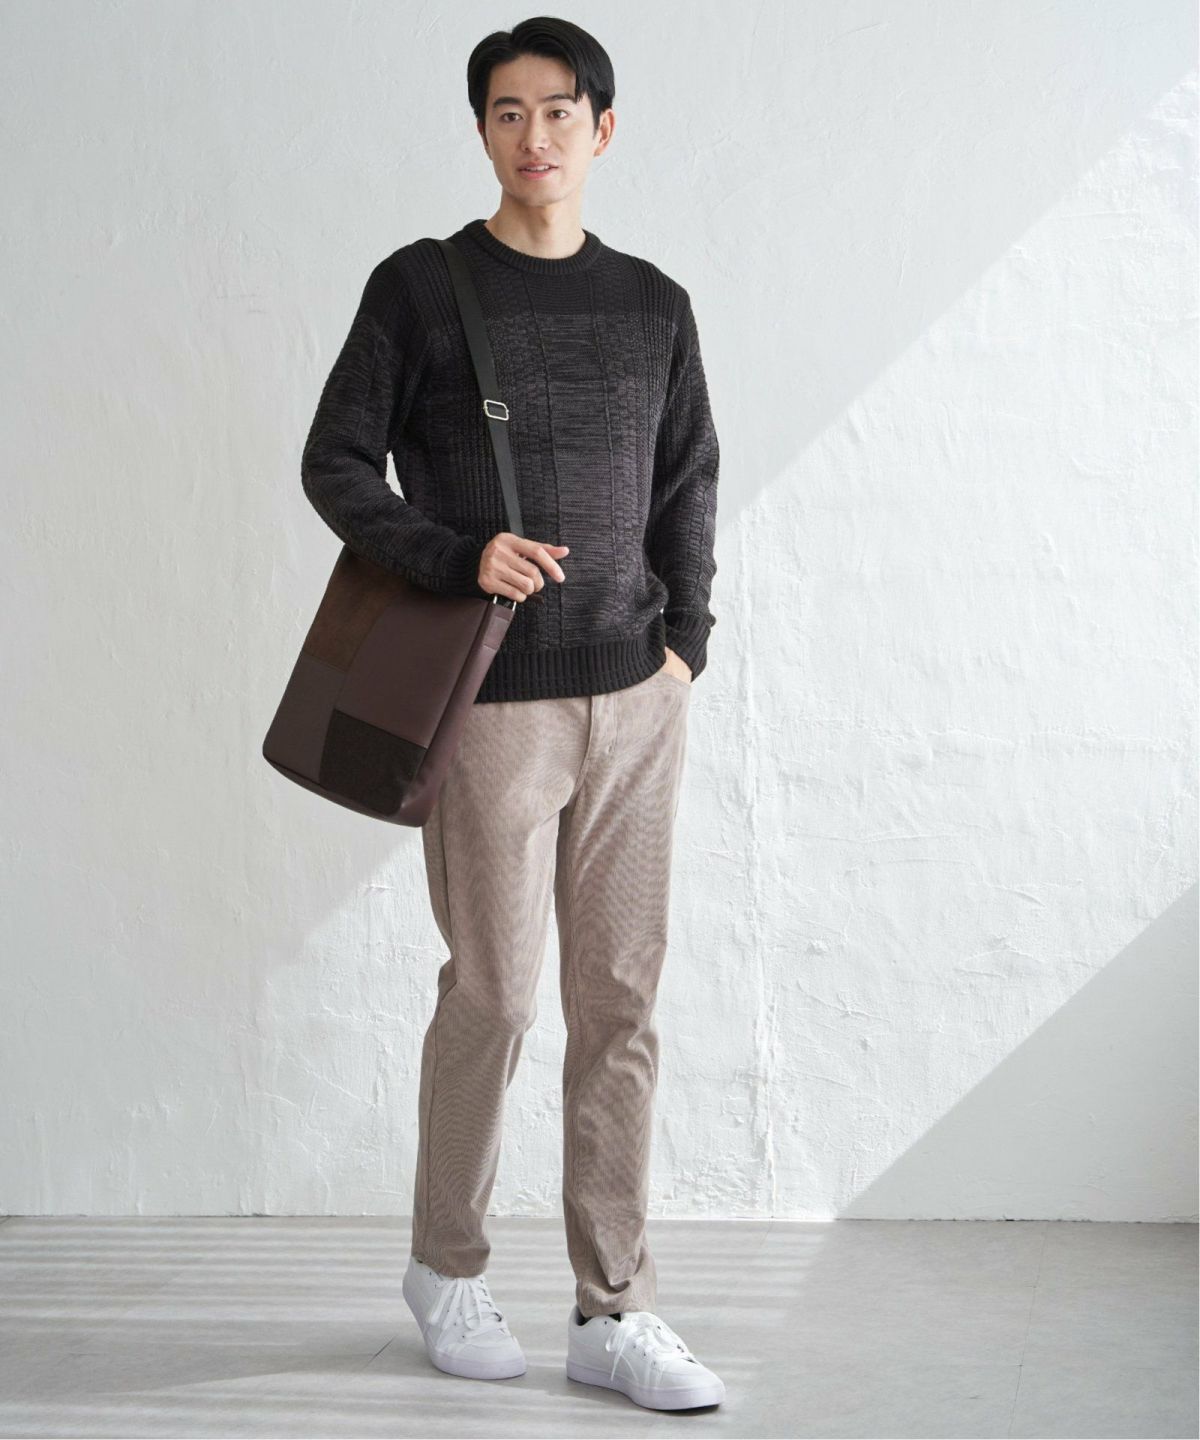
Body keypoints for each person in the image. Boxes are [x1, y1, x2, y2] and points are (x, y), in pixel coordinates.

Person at [300, 15, 723, 1413]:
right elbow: (335, 461)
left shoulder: (654, 304)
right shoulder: (422, 289)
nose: (532, 135)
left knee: (623, 1005)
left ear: (603, 127)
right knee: (493, 993)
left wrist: (685, 646)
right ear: (481, 130)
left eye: (556, 110)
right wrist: (450, 554)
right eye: (505, 112)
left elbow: (689, 480)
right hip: (492, 710)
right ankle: (447, 1267)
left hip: (637, 700)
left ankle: (615, 1308)